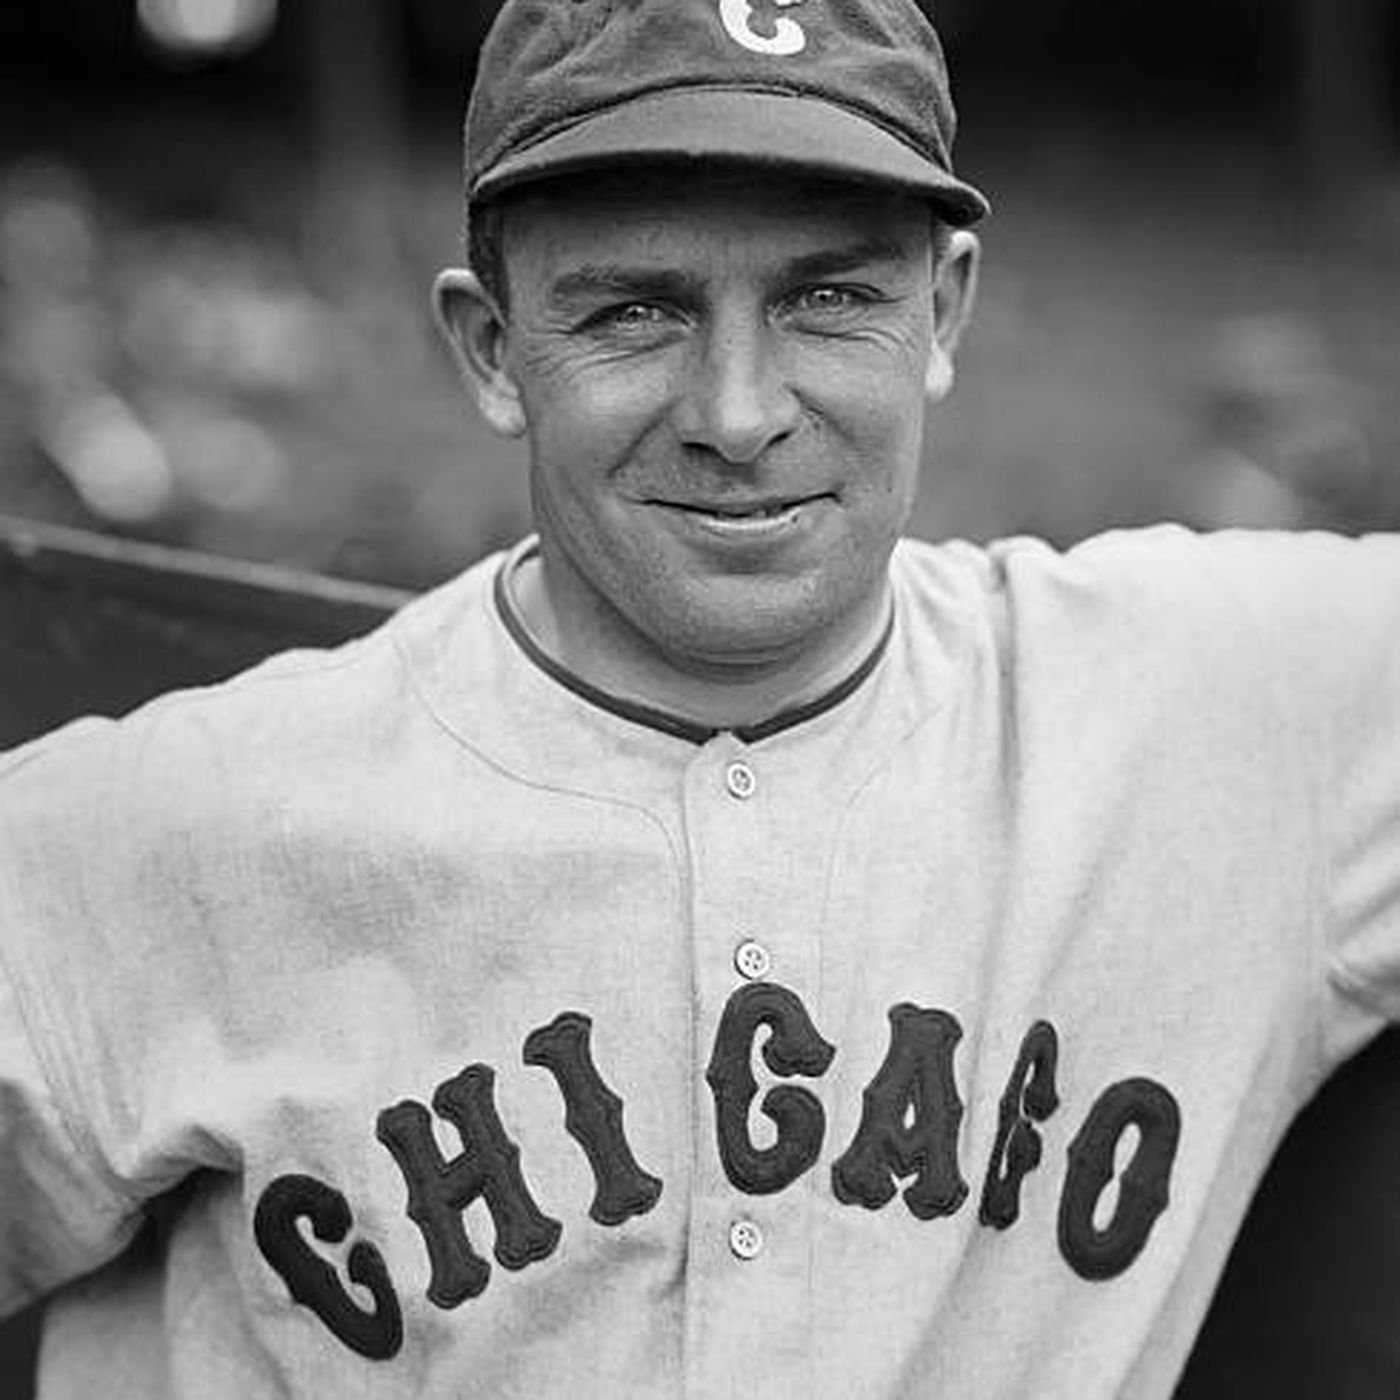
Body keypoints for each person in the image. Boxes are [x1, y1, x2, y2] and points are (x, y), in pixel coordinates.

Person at [1, 1, 1397, 1396]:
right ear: (492, 348)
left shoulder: (1225, 711)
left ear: (944, 311)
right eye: (635, 311)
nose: (738, 415)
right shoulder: (171, 829)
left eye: (830, 299)